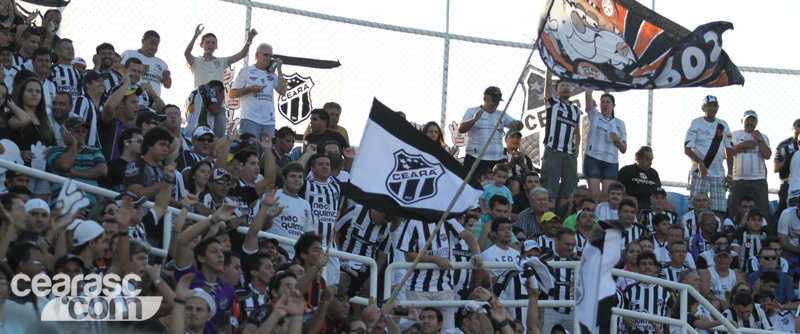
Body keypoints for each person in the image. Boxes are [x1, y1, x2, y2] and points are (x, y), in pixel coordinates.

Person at [398, 216, 483, 330]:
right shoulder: (413, 221)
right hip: (418, 287)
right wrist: (434, 259)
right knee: (420, 329)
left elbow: (469, 237)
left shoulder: (448, 220)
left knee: (447, 330)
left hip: (445, 288)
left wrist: (476, 255)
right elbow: (408, 255)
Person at [173, 204, 240, 334]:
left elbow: (224, 324)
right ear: (202, 258)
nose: (221, 255)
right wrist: (213, 218)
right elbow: (182, 240)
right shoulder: (188, 277)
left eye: (221, 251)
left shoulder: (227, 289)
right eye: (214, 251)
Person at [185, 25, 257, 137]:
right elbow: (187, 54)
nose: (210, 45)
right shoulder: (196, 61)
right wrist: (195, 36)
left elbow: (241, 55)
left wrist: (249, 40)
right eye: (207, 42)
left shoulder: (221, 61)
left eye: (213, 43)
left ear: (216, 46)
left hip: (219, 103)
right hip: (201, 104)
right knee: (199, 135)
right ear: (201, 45)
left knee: (218, 136)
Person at [684, 95, 734, 220]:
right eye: (709, 105)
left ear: (717, 107)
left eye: (714, 105)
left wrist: (730, 174)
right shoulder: (696, 123)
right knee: (694, 208)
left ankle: (718, 238)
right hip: (699, 173)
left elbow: (729, 149)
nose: (712, 108)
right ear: (703, 107)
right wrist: (700, 162)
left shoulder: (723, 125)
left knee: (719, 211)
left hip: (718, 174)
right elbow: (687, 149)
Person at [457, 86, 523, 176]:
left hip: (497, 159)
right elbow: (461, 128)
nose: (496, 104)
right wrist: (474, 119)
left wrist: (517, 124)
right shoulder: (472, 111)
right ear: (485, 99)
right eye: (494, 101)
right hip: (475, 158)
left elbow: (519, 126)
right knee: (474, 186)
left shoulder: (502, 114)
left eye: (498, 101)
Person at [539, 72, 581, 209]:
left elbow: (577, 132)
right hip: (553, 150)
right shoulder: (553, 103)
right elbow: (548, 83)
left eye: (568, 85)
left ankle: (562, 221)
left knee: (567, 189)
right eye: (562, 85)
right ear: (556, 91)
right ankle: (549, 217)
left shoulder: (576, 110)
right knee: (550, 187)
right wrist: (549, 66)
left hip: (569, 154)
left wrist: (578, 145)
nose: (566, 88)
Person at [10, 77, 56, 200]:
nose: (34, 94)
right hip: (22, 173)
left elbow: (54, 144)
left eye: (37, 91)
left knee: (39, 209)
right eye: (30, 90)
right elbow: (7, 141)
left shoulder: (45, 120)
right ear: (22, 94)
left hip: (43, 173)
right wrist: (20, 152)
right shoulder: (13, 116)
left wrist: (51, 148)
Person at [229, 42, 288, 137]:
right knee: (249, 149)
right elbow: (232, 94)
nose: (268, 58)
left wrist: (279, 70)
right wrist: (250, 89)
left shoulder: (272, 74)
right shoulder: (246, 71)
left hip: (268, 121)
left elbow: (283, 91)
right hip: (250, 119)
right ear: (257, 55)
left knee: (267, 150)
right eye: (266, 54)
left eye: (270, 56)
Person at [46, 116, 107, 205]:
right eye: (76, 131)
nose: (81, 134)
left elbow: (102, 171)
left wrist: (74, 173)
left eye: (84, 131)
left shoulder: (94, 151)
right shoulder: (54, 150)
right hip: (62, 207)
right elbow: (65, 166)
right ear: (65, 132)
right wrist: (73, 144)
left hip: (88, 207)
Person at [335, 203, 394, 293]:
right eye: (385, 217)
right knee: (341, 283)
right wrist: (338, 254)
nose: (386, 221)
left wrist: (371, 279)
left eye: (389, 219)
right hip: (345, 264)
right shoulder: (355, 210)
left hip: (366, 270)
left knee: (362, 300)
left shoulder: (388, 229)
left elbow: (382, 258)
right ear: (379, 210)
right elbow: (334, 231)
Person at [728, 110, 772, 226]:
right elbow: (726, 153)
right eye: (748, 119)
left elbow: (767, 155)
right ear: (742, 121)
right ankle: (733, 234)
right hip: (738, 180)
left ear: (757, 122)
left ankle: (765, 236)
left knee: (762, 210)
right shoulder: (734, 134)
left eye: (753, 120)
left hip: (758, 180)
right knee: (735, 209)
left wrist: (760, 139)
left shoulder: (764, 136)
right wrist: (743, 145)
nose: (750, 122)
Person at [583, 90, 627, 203]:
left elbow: (624, 149)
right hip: (593, 158)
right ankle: (593, 219)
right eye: (602, 102)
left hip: (611, 162)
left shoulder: (619, 123)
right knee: (593, 194)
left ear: (613, 105)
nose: (605, 104)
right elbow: (588, 95)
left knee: (606, 197)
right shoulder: (595, 116)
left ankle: (601, 219)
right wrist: (591, 84)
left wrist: (618, 140)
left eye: (608, 102)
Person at [622, 251, 675, 334]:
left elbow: (674, 314)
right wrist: (624, 317)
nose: (647, 267)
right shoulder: (629, 290)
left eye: (650, 264)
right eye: (643, 264)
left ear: (655, 267)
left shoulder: (666, 290)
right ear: (638, 267)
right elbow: (620, 311)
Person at [541, 227, 578, 334]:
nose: (570, 248)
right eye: (567, 244)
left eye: (573, 245)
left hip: (572, 311)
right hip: (549, 310)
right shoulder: (544, 260)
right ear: (556, 241)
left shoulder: (577, 263)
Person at [121, 30, 171, 97]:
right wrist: (137, 69)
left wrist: (167, 77)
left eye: (156, 45)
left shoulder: (162, 64)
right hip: (132, 98)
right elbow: (118, 70)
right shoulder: (129, 54)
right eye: (151, 43)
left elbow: (167, 86)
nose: (154, 47)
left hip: (154, 102)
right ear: (143, 41)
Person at [699, 245, 743, 310]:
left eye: (725, 257)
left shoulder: (736, 274)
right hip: (715, 305)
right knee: (715, 304)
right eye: (719, 257)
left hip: (733, 304)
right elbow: (704, 293)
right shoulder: (708, 273)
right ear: (714, 259)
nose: (722, 260)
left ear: (730, 259)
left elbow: (744, 290)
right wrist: (721, 302)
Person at [101, 127, 142, 193]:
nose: (143, 145)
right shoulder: (110, 166)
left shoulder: (144, 168)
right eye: (139, 141)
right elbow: (101, 193)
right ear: (126, 142)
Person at [773, 118, 800, 213]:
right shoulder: (783, 145)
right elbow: (776, 168)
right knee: (784, 212)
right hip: (787, 184)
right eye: (797, 133)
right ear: (792, 129)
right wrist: (792, 161)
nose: (798, 137)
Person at [480, 218, 519, 282]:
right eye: (502, 229)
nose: (507, 232)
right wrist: (506, 277)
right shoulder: (487, 254)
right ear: (494, 234)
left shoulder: (517, 254)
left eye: (509, 229)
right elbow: (485, 281)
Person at [502, 129, 533, 196]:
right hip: (505, 181)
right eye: (512, 137)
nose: (515, 139)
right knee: (515, 184)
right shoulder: (500, 155)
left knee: (535, 184)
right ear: (506, 139)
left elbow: (532, 176)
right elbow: (498, 171)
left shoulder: (525, 158)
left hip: (523, 181)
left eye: (518, 138)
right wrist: (513, 162)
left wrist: (523, 165)